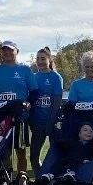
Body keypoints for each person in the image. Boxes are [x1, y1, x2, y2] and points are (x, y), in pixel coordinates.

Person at [0, 40, 38, 173]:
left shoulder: (25, 70)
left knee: (20, 150)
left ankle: (21, 180)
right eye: (4, 50)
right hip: (1, 116)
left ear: (17, 51)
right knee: (4, 149)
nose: (7, 52)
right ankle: (7, 180)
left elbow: (34, 92)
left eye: (10, 50)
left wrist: (29, 103)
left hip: (19, 116)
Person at [30, 47, 63, 175]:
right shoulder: (34, 77)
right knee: (34, 155)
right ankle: (40, 178)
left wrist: (51, 122)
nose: (40, 61)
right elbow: (32, 101)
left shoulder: (56, 77)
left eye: (43, 58)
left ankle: (55, 180)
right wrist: (32, 121)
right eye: (38, 59)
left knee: (55, 154)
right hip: (38, 124)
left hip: (53, 123)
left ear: (49, 60)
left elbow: (57, 102)